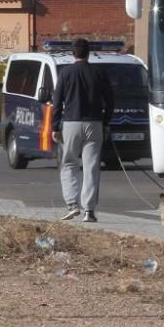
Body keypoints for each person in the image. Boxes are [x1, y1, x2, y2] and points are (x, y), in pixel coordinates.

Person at [52, 38, 115, 223]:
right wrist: (106, 122)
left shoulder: (65, 73)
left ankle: (72, 204)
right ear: (89, 53)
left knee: (69, 163)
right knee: (91, 167)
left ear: (73, 54)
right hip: (94, 124)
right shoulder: (99, 73)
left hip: (71, 123)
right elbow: (110, 100)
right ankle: (89, 211)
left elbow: (57, 102)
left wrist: (55, 126)